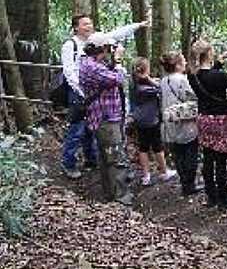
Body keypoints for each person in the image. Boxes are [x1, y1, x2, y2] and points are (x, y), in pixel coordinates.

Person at [60, 14, 148, 179]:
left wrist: (138, 25)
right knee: (77, 128)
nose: (89, 26)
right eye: (85, 24)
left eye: (90, 23)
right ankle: (68, 162)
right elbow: (69, 71)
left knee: (91, 126)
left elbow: (117, 33)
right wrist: (82, 92)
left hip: (91, 91)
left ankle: (91, 159)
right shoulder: (70, 45)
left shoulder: (95, 40)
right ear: (76, 27)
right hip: (78, 91)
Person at [78, 33, 134, 205]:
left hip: (104, 117)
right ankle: (121, 199)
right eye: (108, 48)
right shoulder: (92, 67)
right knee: (115, 157)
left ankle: (111, 195)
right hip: (106, 119)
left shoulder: (92, 63)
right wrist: (117, 60)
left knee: (106, 157)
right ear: (102, 48)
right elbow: (117, 78)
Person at [189, 40, 227, 209]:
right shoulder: (220, 76)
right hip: (221, 120)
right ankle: (224, 199)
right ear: (209, 54)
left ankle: (211, 197)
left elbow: (207, 75)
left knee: (208, 158)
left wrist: (218, 63)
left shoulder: (193, 76)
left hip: (204, 119)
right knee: (221, 160)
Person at [128, 57, 176, 186]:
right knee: (157, 146)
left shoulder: (133, 83)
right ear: (145, 70)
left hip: (139, 119)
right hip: (151, 120)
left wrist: (147, 78)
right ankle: (164, 171)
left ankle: (146, 175)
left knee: (143, 147)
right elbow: (160, 89)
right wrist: (149, 79)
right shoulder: (145, 88)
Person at [160, 52, 200, 196]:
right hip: (186, 122)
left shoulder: (164, 81)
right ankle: (190, 185)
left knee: (178, 154)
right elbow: (192, 97)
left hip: (170, 122)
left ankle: (184, 183)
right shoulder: (182, 79)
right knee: (190, 152)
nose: (185, 63)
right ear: (177, 64)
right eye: (183, 61)